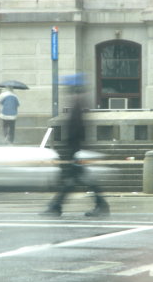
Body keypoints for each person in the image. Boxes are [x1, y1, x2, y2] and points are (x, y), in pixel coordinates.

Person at [41, 87, 110, 218]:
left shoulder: (78, 108)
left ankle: (56, 206)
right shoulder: (79, 107)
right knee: (74, 181)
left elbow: (76, 132)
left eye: (74, 94)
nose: (71, 97)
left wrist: (74, 152)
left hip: (76, 151)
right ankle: (57, 206)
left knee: (74, 181)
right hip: (76, 151)